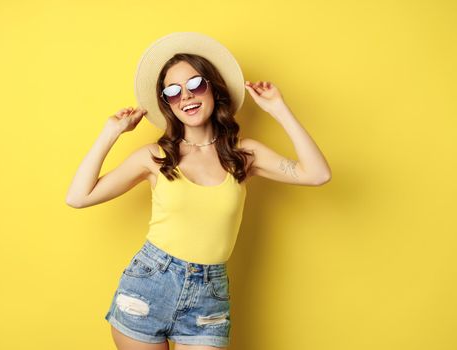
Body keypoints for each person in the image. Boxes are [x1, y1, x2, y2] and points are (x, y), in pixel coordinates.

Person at [66, 32, 332, 350]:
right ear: (166, 103)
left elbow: (317, 174)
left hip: (209, 297)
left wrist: (279, 110)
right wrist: (111, 132)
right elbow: (78, 197)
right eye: (173, 91)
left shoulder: (242, 155)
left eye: (195, 84)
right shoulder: (156, 157)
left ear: (213, 88)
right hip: (149, 286)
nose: (186, 97)